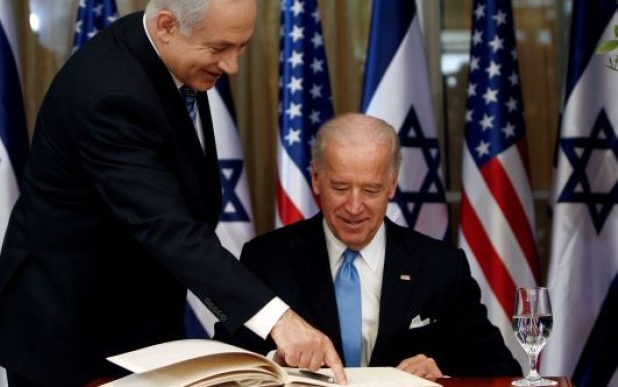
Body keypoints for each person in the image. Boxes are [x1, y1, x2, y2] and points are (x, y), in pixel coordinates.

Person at [0, 0, 345, 386]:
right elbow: (168, 228)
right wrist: (278, 320)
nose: (232, 66)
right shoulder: (112, 97)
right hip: (71, 337)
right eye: (220, 48)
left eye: (241, 46)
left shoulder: (165, 50)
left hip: (138, 325)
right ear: (167, 24)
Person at [215, 113, 522, 380]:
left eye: (371, 190)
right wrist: (276, 361)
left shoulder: (440, 265)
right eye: (340, 187)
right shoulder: (266, 259)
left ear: (392, 185)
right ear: (316, 179)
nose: (354, 206)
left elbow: (501, 369)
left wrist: (440, 370)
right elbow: (225, 362)